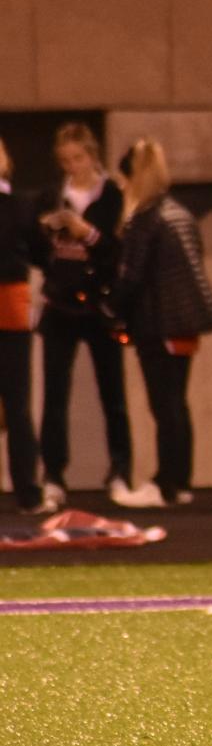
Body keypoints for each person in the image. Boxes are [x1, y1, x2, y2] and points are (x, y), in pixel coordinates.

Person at [109, 138, 212, 508]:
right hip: (184, 322)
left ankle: (167, 483)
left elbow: (132, 277)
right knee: (176, 402)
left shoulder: (147, 219)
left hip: (159, 321)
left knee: (166, 404)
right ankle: (178, 481)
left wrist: (112, 310)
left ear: (131, 176)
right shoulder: (180, 213)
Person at [32, 121, 131, 506]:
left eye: (78, 158)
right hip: (59, 304)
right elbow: (38, 252)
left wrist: (85, 232)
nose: (71, 166)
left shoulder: (112, 197)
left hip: (99, 304)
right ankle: (54, 474)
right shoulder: (51, 196)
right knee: (55, 394)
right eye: (65, 160)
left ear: (92, 156)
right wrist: (49, 234)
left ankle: (120, 471)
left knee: (113, 393)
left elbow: (115, 251)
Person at [0, 136, 50, 514]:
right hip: (12, 308)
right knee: (18, 406)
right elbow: (41, 253)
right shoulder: (21, 206)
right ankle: (28, 493)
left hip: (12, 306)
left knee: (17, 409)